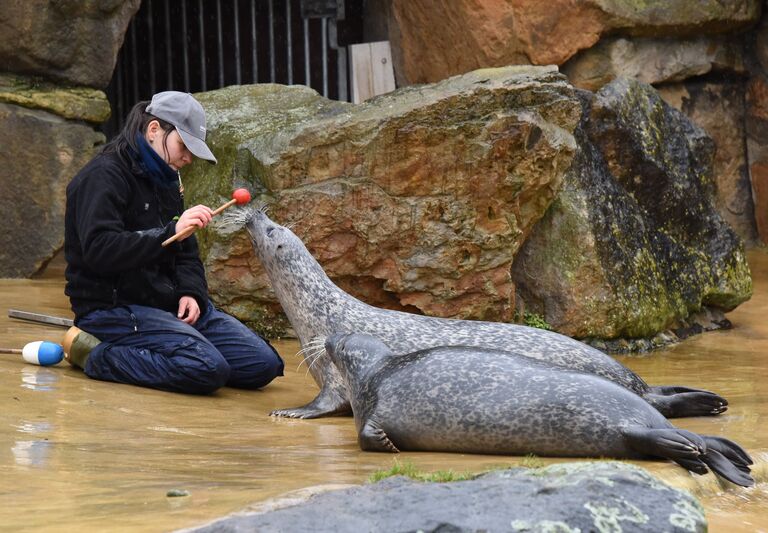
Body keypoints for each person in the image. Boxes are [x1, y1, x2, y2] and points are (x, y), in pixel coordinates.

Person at [63, 91, 284, 394]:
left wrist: (191, 293)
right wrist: (169, 232)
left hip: (165, 305)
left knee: (263, 364)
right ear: (154, 130)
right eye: (184, 146)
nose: (188, 158)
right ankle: (94, 354)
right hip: (113, 308)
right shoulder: (103, 175)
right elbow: (100, 251)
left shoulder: (168, 177)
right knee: (208, 368)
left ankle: (175, 346)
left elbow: (187, 252)